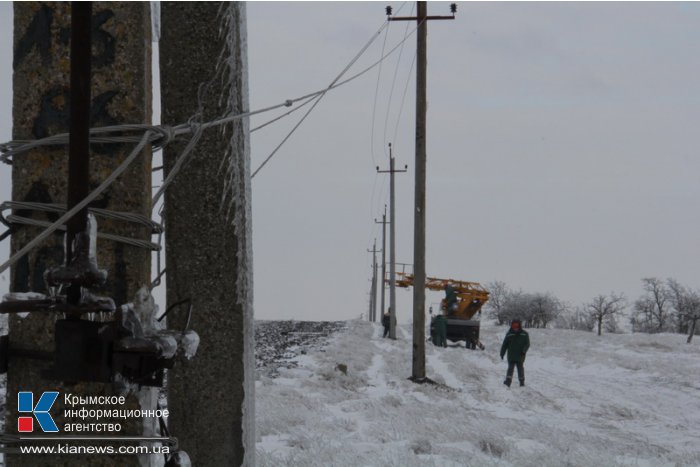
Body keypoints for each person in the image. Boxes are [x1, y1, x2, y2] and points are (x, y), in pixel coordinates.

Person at [499, 319, 529, 387]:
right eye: (514, 325)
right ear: (511, 325)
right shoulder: (509, 334)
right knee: (510, 368)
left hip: (520, 355)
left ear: (519, 325)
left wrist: (524, 351)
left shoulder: (524, 334)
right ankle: (508, 382)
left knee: (520, 368)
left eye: (517, 325)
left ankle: (522, 382)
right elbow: (505, 344)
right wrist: (502, 353)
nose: (515, 327)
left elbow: (527, 344)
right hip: (511, 355)